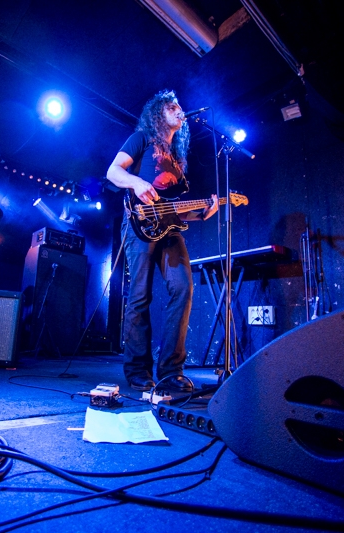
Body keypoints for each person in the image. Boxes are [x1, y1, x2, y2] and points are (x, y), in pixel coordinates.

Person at [106, 89, 219, 393]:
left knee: (183, 288)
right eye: (171, 106)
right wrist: (136, 182)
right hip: (139, 222)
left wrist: (204, 212)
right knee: (140, 295)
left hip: (170, 229)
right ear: (158, 113)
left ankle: (171, 371)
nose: (178, 109)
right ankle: (137, 370)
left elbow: (176, 208)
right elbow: (113, 171)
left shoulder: (178, 160)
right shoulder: (142, 138)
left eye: (179, 106)